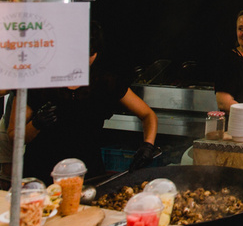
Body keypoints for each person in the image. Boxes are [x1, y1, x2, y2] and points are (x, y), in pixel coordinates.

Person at [9, 21, 159, 183]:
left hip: (88, 176)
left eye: (91, 54)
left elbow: (147, 114)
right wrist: (36, 125)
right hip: (40, 177)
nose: (84, 60)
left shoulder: (106, 82)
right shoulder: (38, 81)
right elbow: (13, 136)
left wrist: (148, 145)